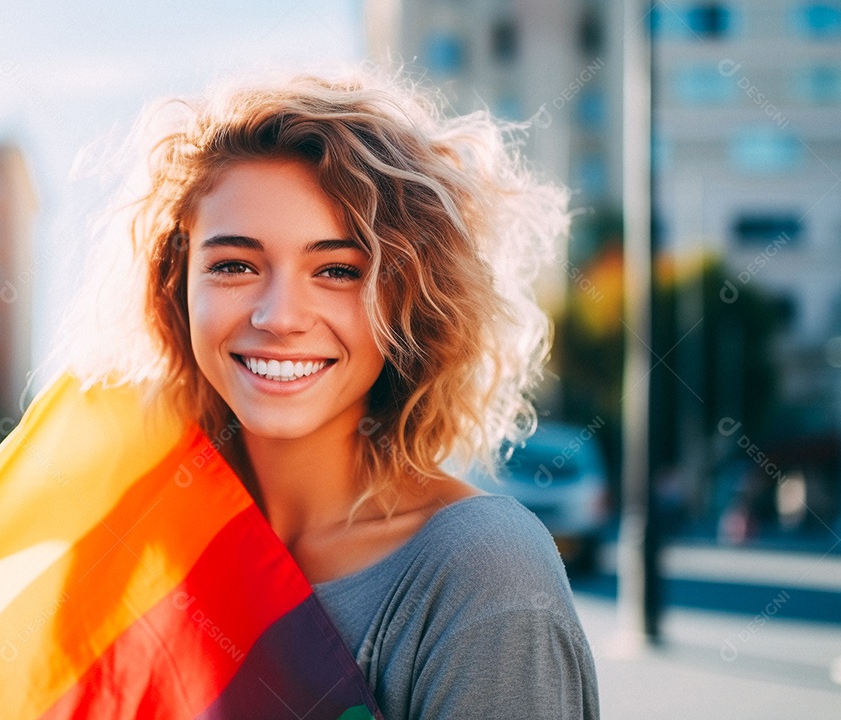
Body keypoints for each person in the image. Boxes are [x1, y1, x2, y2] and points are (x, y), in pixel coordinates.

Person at [56, 70, 599, 718]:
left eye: (338, 270)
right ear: (176, 286)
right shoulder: (144, 551)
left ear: (407, 297)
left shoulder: (484, 570)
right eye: (235, 265)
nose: (280, 316)